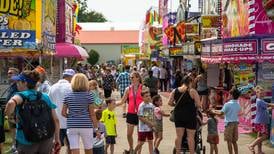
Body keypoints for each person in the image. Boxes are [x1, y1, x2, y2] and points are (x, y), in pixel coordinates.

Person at [4, 70, 60, 153]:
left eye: (18, 81)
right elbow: (56, 120)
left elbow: (11, 103)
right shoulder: (45, 97)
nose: (16, 83)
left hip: (26, 140)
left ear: (25, 83)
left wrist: (7, 114)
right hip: (46, 138)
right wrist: (57, 139)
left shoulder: (21, 95)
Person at [62, 73, 100, 154]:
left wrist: (72, 117)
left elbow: (63, 113)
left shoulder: (67, 96)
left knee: (74, 150)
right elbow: (92, 114)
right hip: (86, 125)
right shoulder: (89, 96)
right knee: (88, 149)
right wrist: (96, 129)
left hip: (72, 126)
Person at [167, 75, 201, 154]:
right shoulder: (192, 91)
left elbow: (169, 102)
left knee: (179, 136)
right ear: (190, 82)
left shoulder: (175, 90)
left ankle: (178, 152)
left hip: (179, 116)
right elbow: (199, 105)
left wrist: (176, 105)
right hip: (190, 116)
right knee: (190, 137)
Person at [117, 71, 145, 154]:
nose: (131, 79)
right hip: (131, 113)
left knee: (140, 136)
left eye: (132, 77)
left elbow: (148, 101)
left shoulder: (143, 88)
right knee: (129, 134)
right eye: (130, 77)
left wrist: (150, 116)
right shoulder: (128, 89)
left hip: (141, 114)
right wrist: (113, 104)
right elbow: (122, 101)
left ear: (138, 78)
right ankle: (131, 149)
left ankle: (138, 152)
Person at [49, 69, 75, 154]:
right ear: (71, 77)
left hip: (56, 122)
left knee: (56, 147)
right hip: (69, 121)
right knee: (71, 147)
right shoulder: (72, 87)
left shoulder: (52, 87)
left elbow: (49, 104)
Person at [212, 87, 241, 154]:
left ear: (231, 95)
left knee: (229, 141)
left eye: (229, 94)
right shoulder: (238, 104)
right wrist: (215, 111)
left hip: (229, 124)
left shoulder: (227, 104)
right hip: (235, 124)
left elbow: (221, 113)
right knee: (234, 141)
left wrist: (213, 112)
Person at [248, 86, 274, 154]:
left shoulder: (261, 101)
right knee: (265, 136)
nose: (262, 94)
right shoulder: (259, 101)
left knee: (260, 137)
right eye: (260, 93)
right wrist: (272, 106)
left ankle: (259, 151)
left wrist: (269, 109)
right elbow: (268, 104)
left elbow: (264, 109)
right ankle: (252, 145)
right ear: (257, 94)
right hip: (261, 122)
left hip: (260, 121)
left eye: (263, 93)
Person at [4, 67, 19, 153]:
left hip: (16, 112)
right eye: (8, 73)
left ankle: (17, 147)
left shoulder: (18, 85)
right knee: (12, 130)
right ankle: (14, 145)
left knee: (17, 129)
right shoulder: (11, 85)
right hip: (11, 112)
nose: (8, 75)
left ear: (16, 75)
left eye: (11, 73)